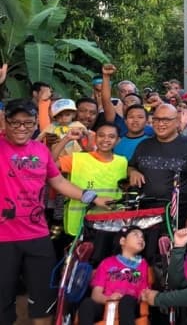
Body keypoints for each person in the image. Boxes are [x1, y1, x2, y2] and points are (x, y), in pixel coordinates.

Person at [0, 99, 111, 325]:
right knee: (2, 299)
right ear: (5, 123)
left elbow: (59, 181)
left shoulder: (41, 150)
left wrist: (92, 197)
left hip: (38, 236)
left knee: (44, 299)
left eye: (28, 123)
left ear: (35, 125)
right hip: (3, 238)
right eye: (15, 123)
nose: (22, 128)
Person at [128, 104, 187, 258]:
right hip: (144, 216)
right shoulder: (144, 145)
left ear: (177, 122)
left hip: (177, 218)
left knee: (173, 261)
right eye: (156, 119)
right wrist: (133, 171)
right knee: (145, 260)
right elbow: (131, 166)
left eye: (165, 120)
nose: (160, 123)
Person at [78, 226, 149, 325]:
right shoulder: (107, 263)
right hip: (106, 304)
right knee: (87, 304)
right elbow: (96, 294)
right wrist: (109, 299)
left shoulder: (143, 264)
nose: (141, 238)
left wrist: (144, 295)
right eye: (136, 234)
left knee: (127, 300)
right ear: (123, 241)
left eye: (143, 237)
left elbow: (144, 291)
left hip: (130, 306)